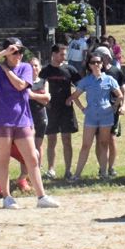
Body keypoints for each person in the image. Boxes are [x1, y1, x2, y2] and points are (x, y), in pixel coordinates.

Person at [0, 37, 59, 209]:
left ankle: (41, 196)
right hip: (1, 119)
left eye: (20, 51)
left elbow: (20, 85)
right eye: (14, 51)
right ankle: (7, 197)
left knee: (32, 157)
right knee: (3, 159)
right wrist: (2, 54)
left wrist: (6, 69)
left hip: (22, 119)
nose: (19, 55)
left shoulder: (26, 67)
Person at [68, 51, 122, 180]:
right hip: (91, 115)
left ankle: (104, 173)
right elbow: (74, 96)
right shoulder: (86, 81)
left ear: (102, 64)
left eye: (98, 62)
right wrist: (82, 109)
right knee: (86, 145)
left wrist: (114, 107)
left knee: (104, 144)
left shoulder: (109, 79)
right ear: (89, 65)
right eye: (93, 62)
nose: (96, 64)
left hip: (106, 115)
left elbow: (120, 95)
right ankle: (77, 175)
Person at [40, 44, 81, 180]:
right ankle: (51, 169)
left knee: (67, 140)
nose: (64, 57)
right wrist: (44, 101)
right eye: (62, 54)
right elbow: (38, 87)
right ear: (54, 54)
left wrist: (72, 97)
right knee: (51, 140)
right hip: (50, 109)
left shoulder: (70, 69)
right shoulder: (45, 70)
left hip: (66, 110)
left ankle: (68, 170)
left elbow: (82, 86)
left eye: (65, 54)